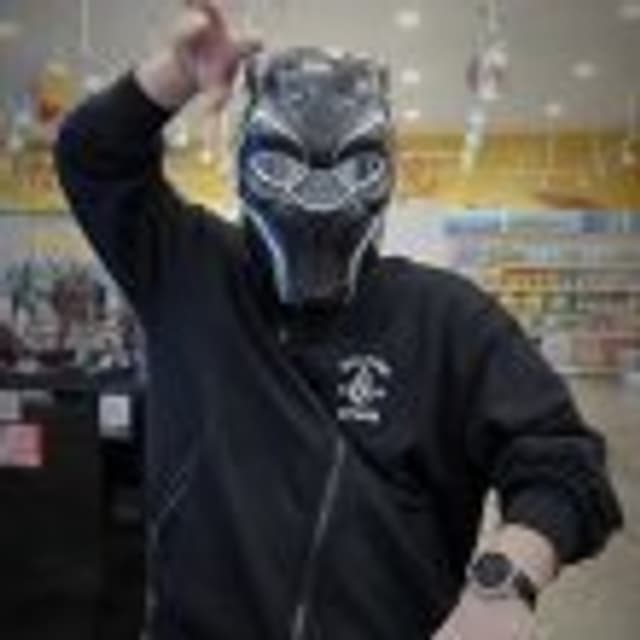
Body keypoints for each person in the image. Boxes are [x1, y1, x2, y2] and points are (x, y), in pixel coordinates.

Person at [54, 2, 622, 639]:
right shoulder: (189, 270)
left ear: (386, 174)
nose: (316, 197)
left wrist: (503, 582)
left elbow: (565, 465)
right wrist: (175, 73)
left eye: (354, 169)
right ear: (245, 164)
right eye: (283, 166)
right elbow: (92, 156)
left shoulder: (449, 321)